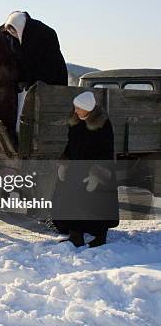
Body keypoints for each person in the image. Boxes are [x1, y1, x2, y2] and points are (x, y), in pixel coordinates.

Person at [52, 91, 119, 248]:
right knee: (71, 201)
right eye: (75, 107)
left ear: (88, 108)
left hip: (95, 169)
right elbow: (70, 145)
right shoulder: (75, 122)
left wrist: (97, 175)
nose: (75, 111)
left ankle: (100, 237)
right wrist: (64, 163)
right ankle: (76, 236)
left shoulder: (103, 124)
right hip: (76, 168)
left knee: (98, 203)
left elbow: (106, 151)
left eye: (78, 108)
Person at [1, 11, 68, 89]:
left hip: (52, 82)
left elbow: (49, 64)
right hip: (29, 84)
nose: (14, 35)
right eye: (12, 33)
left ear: (20, 27)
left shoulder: (45, 34)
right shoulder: (12, 38)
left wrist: (34, 81)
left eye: (15, 32)